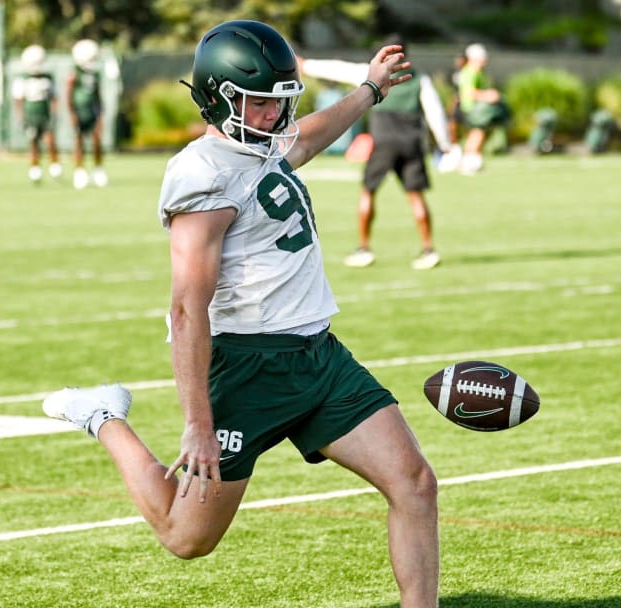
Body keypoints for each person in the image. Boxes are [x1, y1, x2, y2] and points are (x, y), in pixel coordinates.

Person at [42, 20, 440, 608]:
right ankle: (102, 416)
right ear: (218, 98)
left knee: (415, 483)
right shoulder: (202, 174)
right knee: (185, 537)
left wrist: (370, 89)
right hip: (246, 368)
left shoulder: (263, 142)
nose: (275, 117)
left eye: (281, 103)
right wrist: (197, 422)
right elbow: (185, 308)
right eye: (260, 104)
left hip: (318, 357)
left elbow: (306, 137)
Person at [299, 34, 449, 270]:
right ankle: (428, 249)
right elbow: (435, 111)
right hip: (411, 143)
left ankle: (364, 248)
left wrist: (306, 65)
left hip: (383, 142)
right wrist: (444, 142)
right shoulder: (420, 79)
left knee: (368, 193)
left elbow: (339, 69)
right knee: (416, 196)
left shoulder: (371, 73)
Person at [456, 43, 510, 175]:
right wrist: (487, 95)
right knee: (477, 133)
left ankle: (473, 159)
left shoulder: (478, 72)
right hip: (473, 109)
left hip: (477, 109)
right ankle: (469, 162)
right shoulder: (470, 72)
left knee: (480, 134)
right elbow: (469, 92)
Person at [12, 44, 62, 184]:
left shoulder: (48, 78)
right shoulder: (22, 78)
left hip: (44, 112)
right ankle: (35, 167)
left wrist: (54, 113)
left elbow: (54, 97)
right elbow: (18, 99)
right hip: (31, 113)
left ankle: (54, 164)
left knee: (50, 139)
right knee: (33, 141)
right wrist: (20, 116)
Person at [66, 39, 108, 189]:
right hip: (79, 111)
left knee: (97, 140)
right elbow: (69, 96)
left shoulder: (95, 74)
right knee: (79, 141)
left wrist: (100, 114)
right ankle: (79, 171)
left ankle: (98, 170)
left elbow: (97, 95)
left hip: (92, 112)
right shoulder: (74, 73)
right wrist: (72, 114)